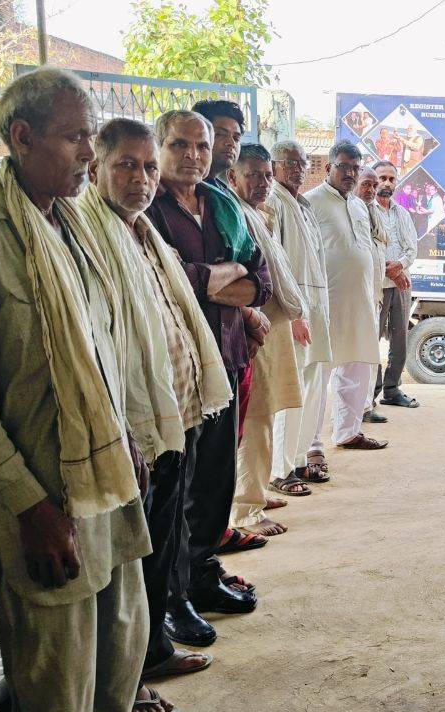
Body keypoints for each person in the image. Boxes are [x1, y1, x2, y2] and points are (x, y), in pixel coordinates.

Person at [0, 67, 152, 712]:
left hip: (107, 499)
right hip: (44, 517)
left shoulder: (77, 232)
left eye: (91, 136)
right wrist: (31, 510)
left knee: (117, 678)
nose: (89, 153)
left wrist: (127, 434)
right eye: (76, 137)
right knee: (58, 696)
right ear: (22, 138)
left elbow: (102, 353)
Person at [86, 117, 236, 709]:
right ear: (96, 165)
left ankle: (152, 650)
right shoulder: (90, 234)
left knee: (164, 534)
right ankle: (131, 676)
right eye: (127, 164)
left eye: (148, 167)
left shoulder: (139, 228)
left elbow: (241, 283)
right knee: (133, 552)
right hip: (135, 427)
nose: (141, 178)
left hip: (176, 408)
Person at [145, 109, 271, 647]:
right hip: (178, 370)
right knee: (177, 487)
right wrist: (223, 276)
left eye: (202, 146)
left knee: (218, 479)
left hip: (228, 355)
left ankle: (201, 575)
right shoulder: (146, 209)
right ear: (160, 146)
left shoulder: (221, 203)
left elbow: (259, 280)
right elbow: (172, 280)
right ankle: (171, 600)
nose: (193, 155)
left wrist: (219, 281)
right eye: (181, 145)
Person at [228, 143, 308, 535]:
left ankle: (256, 492)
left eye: (266, 176)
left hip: (272, 323)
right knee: (255, 416)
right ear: (233, 177)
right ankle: (245, 509)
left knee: (268, 410)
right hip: (254, 328)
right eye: (253, 175)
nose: (263, 183)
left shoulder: (260, 214)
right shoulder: (234, 214)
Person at [304, 142, 389, 450]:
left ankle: (348, 431)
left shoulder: (359, 205)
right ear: (328, 168)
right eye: (344, 167)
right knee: (318, 374)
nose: (351, 174)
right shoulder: (310, 203)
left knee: (357, 368)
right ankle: (311, 444)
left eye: (356, 168)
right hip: (325, 304)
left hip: (361, 302)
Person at [267, 140, 337, 489]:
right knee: (291, 388)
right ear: (275, 166)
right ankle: (279, 470)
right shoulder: (273, 202)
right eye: (290, 162)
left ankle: (297, 460)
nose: (297, 168)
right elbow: (275, 266)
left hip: (317, 306)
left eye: (302, 162)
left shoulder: (303, 204)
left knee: (314, 385)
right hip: (293, 309)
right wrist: (293, 313)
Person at [370, 160, 420, 409]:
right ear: (373, 180)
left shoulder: (402, 213)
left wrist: (398, 267)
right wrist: (389, 270)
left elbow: (412, 248)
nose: (386, 183)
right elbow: (368, 248)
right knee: (371, 338)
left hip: (401, 283)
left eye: (391, 179)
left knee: (400, 338)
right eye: (382, 178)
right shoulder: (366, 210)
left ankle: (392, 389)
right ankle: (371, 391)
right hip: (377, 285)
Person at [355, 166, 393, 425]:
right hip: (357, 294)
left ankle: (366, 405)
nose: (370, 190)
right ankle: (355, 411)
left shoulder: (374, 212)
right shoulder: (352, 209)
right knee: (354, 359)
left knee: (370, 355)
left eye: (372, 185)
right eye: (366, 184)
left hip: (374, 292)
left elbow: (384, 242)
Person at [192, 98, 246, 189]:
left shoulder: (221, 188)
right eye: (220, 134)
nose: (231, 143)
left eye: (236, 138)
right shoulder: (189, 190)